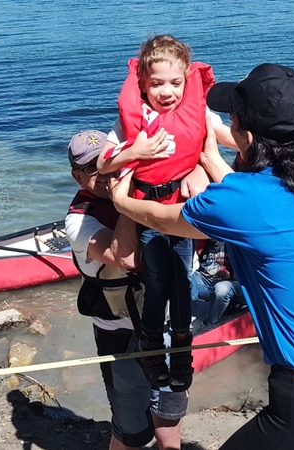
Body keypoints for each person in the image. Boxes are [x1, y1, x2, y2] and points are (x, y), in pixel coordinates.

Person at [109, 63, 294, 450]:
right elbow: (265, 206)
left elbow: (161, 218)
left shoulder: (243, 200)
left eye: (232, 118)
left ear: (245, 134)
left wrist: (121, 200)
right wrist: (211, 158)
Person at [96, 35, 232, 392]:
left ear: (187, 80)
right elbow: (103, 163)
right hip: (149, 214)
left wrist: (266, 140)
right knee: (157, 284)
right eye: (156, 84)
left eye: (175, 83)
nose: (167, 92)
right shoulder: (133, 120)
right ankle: (152, 346)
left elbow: (223, 134)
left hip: (183, 213)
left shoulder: (198, 111)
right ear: (143, 82)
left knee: (183, 281)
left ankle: (183, 346)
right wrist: (134, 151)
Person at [64, 130, 187, 450]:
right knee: (133, 432)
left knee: (169, 419)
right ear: (77, 177)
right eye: (92, 169)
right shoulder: (78, 222)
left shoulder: (147, 191)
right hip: (120, 334)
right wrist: (125, 198)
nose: (105, 173)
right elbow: (126, 257)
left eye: (108, 162)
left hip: (166, 327)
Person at [191, 239, 243, 326]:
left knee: (221, 289)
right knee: (183, 279)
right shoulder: (201, 241)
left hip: (229, 283)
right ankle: (182, 321)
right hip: (204, 281)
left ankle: (209, 325)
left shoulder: (232, 242)